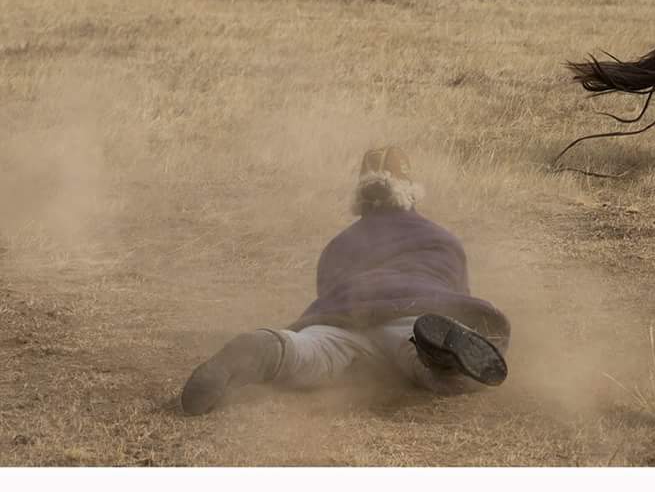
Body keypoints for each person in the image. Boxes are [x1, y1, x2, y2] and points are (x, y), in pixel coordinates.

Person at [180, 146, 510, 415]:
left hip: (347, 320)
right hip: (413, 320)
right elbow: (456, 293)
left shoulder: (339, 245)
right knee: (440, 374)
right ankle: (438, 360)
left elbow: (329, 293)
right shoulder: (442, 239)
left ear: (361, 196)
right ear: (411, 193)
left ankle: (271, 347)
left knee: (311, 354)